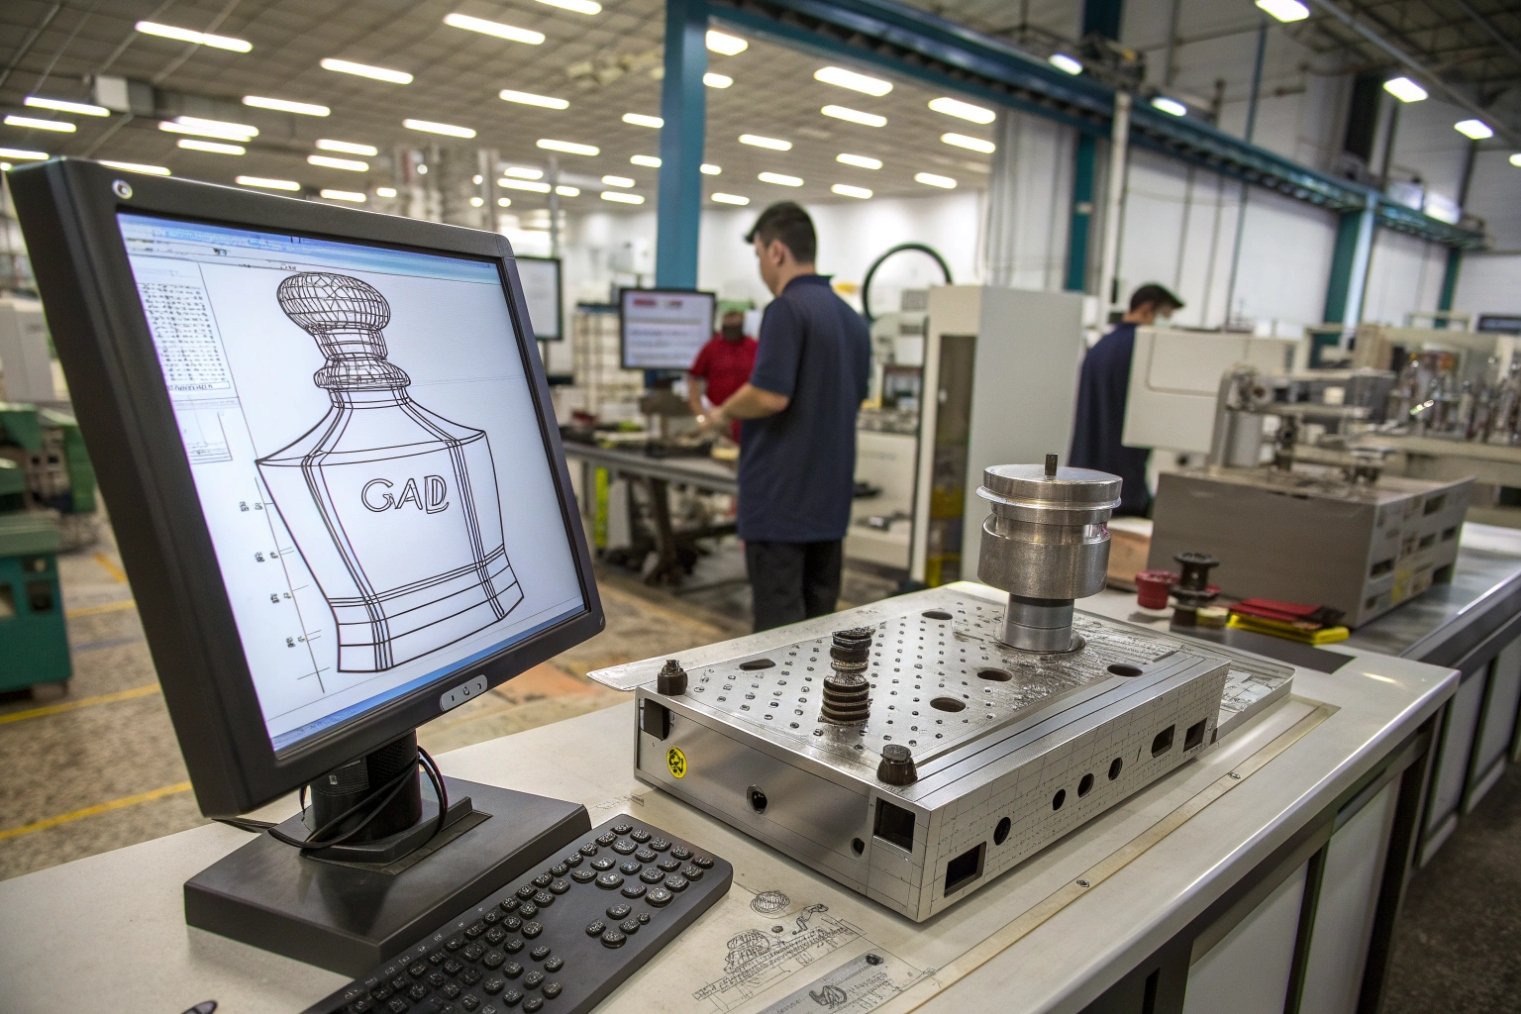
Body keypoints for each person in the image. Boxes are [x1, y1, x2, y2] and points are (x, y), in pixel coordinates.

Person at [698, 201, 871, 632]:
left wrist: (720, 413)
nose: (760, 264)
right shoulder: (852, 320)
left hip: (781, 507)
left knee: (778, 638)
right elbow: (854, 399)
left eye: (758, 254)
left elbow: (769, 395)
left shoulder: (786, 309)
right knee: (818, 633)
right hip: (829, 507)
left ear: (776, 251)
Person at [1069, 283, 1184, 516]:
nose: (1166, 324)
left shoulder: (1101, 346)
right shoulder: (1142, 350)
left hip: (1088, 481)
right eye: (1165, 316)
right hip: (1123, 487)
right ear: (1147, 309)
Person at [687, 307, 757, 443]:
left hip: (747, 416)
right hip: (716, 417)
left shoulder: (754, 347)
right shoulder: (711, 348)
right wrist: (701, 415)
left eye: (735, 324)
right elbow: (693, 379)